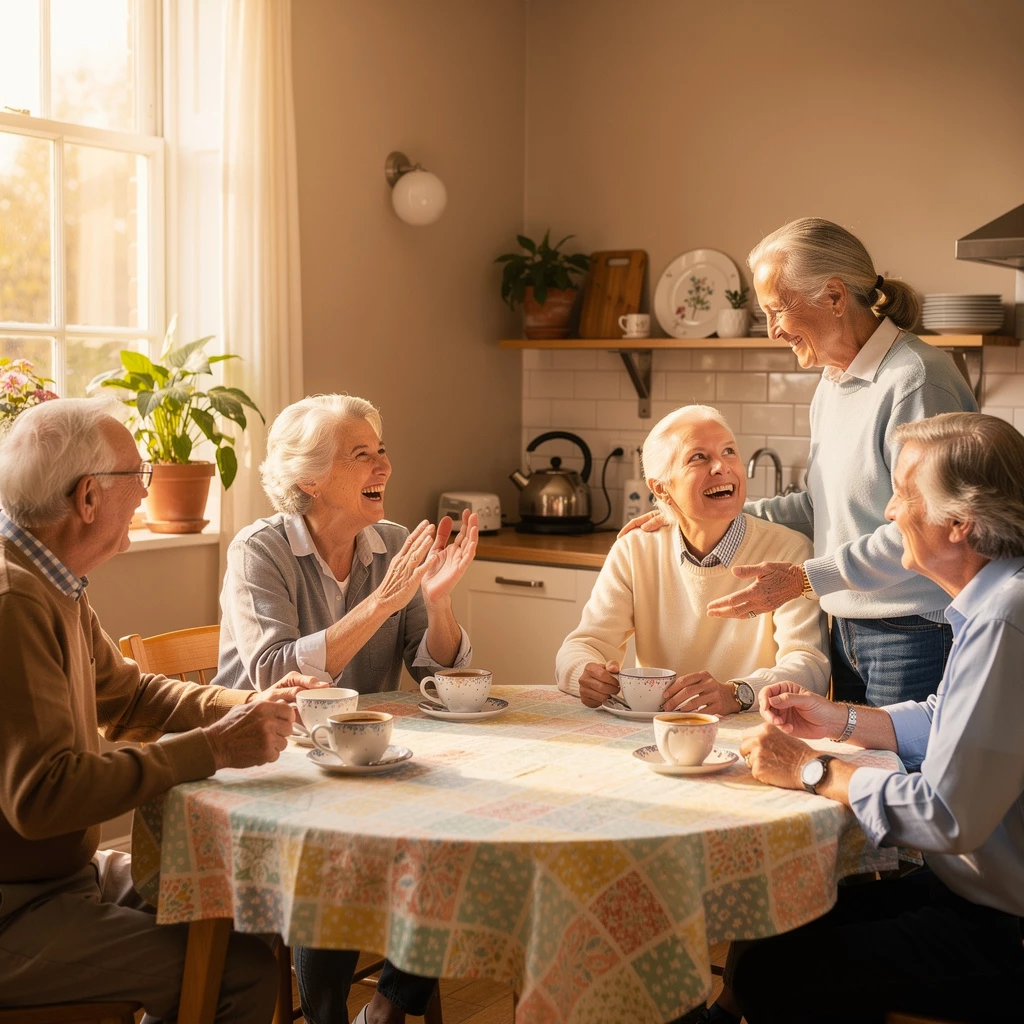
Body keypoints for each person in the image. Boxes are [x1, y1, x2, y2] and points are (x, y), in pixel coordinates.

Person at [0, 399, 325, 1022]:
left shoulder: (51, 582)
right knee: (241, 971)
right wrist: (215, 748)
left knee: (235, 910)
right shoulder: (15, 600)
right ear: (89, 498)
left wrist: (254, 704)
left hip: (60, 880)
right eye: (138, 477)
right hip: (17, 906)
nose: (147, 492)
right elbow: (41, 796)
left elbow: (132, 696)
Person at [728, 412, 1024, 1023]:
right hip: (978, 898)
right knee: (769, 918)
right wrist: (838, 720)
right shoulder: (998, 597)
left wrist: (811, 772)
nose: (890, 513)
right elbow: (950, 715)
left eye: (905, 495)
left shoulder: (1002, 619)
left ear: (960, 524)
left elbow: (944, 818)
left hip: (1004, 931)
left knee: (774, 971)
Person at [624, 219, 977, 708]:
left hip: (914, 632)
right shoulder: (833, 384)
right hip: (850, 630)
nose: (772, 331)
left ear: (834, 296)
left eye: (777, 310)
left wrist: (808, 577)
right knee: (857, 772)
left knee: (902, 773)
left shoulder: (915, 380)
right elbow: (824, 504)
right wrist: (710, 515)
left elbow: (931, 527)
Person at [213, 393, 479, 1024]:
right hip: (265, 761)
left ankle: (389, 1004)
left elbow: (435, 672)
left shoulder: (390, 542)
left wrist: (436, 603)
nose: (383, 465)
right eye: (362, 455)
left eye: (382, 450)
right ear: (308, 479)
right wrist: (382, 605)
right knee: (328, 844)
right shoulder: (260, 550)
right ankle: (326, 1014)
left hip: (363, 759)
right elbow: (279, 674)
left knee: (465, 829)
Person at [557, 405, 829, 715]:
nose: (721, 467)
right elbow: (583, 643)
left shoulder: (788, 553)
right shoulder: (635, 550)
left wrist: (738, 694)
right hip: (657, 732)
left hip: (757, 734)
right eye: (699, 457)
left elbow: (810, 668)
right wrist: (584, 673)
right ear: (661, 488)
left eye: (729, 452)